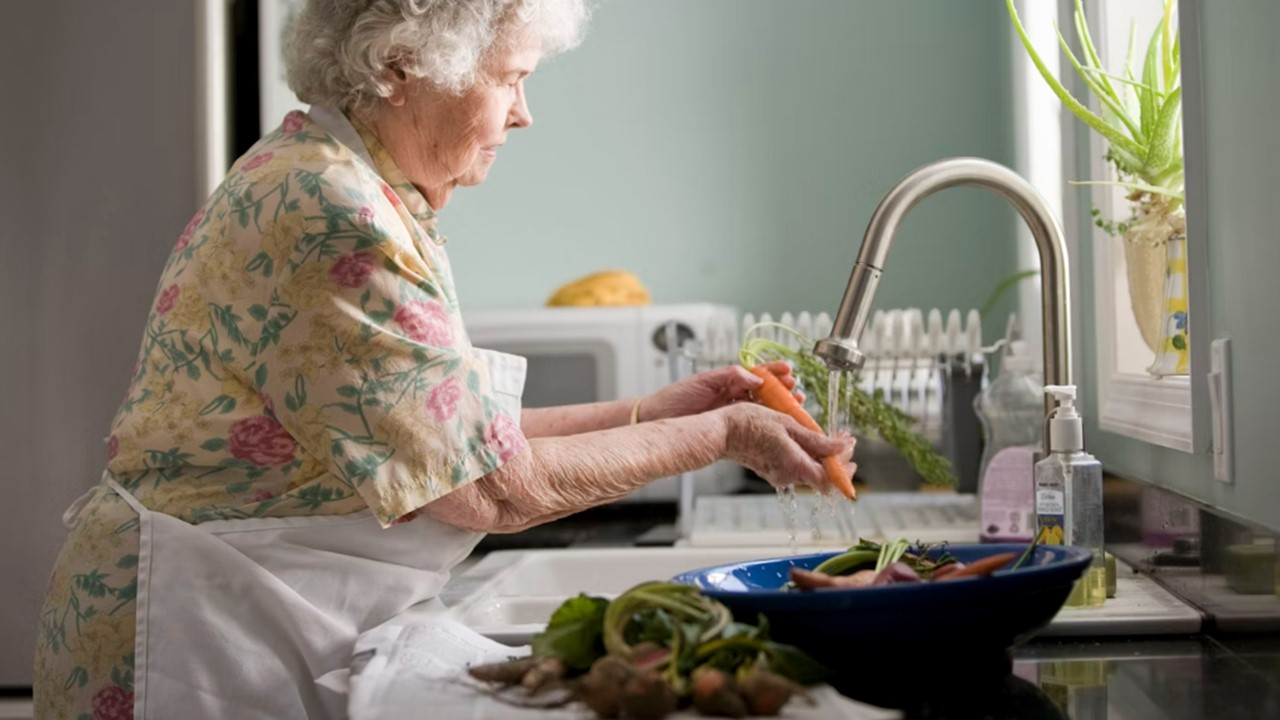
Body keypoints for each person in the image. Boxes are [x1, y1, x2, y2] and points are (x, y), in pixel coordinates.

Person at [33, 1, 855, 718]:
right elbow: (488, 487)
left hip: (241, 609)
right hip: (196, 638)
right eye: (510, 77)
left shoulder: (346, 185)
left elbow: (456, 438)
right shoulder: (332, 214)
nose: (525, 112)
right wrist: (721, 437)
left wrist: (662, 412)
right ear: (401, 66)